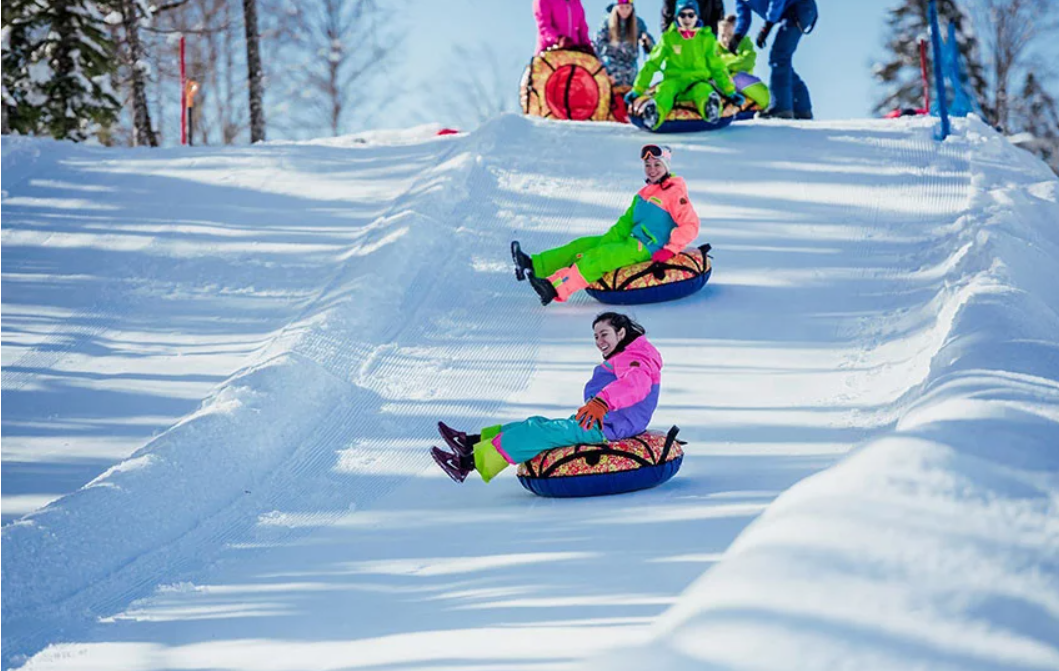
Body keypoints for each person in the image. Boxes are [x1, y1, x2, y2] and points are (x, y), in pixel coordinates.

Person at [432, 313, 662, 484]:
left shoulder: (635, 358)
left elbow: (636, 384)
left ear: (621, 333)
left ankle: (467, 464)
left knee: (539, 433)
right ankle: (469, 442)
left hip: (610, 428)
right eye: (595, 336)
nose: (599, 341)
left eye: (604, 334)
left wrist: (601, 403)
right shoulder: (629, 354)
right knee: (537, 423)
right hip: (601, 420)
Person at [511, 144, 700, 306]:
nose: (651, 169)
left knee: (598, 257)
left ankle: (554, 288)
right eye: (648, 165)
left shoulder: (675, 192)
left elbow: (691, 225)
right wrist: (606, 241)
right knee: (582, 245)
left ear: (666, 166)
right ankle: (533, 265)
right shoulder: (644, 193)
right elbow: (625, 223)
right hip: (630, 241)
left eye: (657, 165)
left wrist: (670, 249)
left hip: (648, 248)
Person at [625, 0, 743, 130]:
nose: (687, 19)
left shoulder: (706, 38)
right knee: (664, 91)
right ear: (677, 17)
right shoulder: (669, 38)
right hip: (674, 81)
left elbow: (717, 67)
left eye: (691, 15)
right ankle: (655, 113)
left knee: (704, 91)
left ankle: (710, 108)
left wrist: (729, 91)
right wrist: (638, 89)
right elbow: (652, 64)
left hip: (697, 81)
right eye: (682, 15)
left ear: (697, 16)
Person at [730, 0, 817, 119]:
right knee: (781, 61)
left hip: (800, 8)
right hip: (789, 14)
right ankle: (802, 108)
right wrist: (737, 37)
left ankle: (781, 107)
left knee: (779, 58)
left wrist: (767, 26)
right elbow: (744, 17)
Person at [593, 1, 655, 89]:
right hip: (611, 71)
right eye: (621, 8)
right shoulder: (607, 23)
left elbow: (652, 49)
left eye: (628, 8)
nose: (625, 11)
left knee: (629, 99)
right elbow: (596, 46)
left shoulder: (638, 24)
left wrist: (647, 42)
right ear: (616, 7)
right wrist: (603, 71)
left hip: (630, 72)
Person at [717, 13, 771, 110]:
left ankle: (762, 104)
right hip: (724, 87)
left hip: (744, 87)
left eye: (730, 35)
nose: (726, 39)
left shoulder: (744, 43)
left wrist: (725, 66)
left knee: (737, 78)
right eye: (722, 35)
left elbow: (748, 61)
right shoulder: (715, 48)